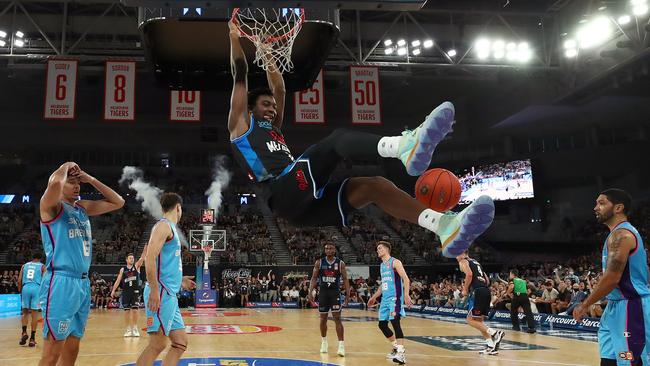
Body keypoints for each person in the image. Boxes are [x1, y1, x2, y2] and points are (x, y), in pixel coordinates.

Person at [226, 20, 494, 259]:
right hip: (282, 189)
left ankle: (442, 226)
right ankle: (403, 146)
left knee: (374, 186)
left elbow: (280, 89)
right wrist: (234, 38)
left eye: (273, 106)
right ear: (250, 109)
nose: (273, 108)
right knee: (336, 141)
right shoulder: (240, 126)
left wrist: (266, 51)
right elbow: (240, 73)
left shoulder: (274, 129)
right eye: (265, 104)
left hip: (302, 208)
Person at [38, 162, 124, 366]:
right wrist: (65, 166)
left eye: (78, 182)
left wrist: (90, 179)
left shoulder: (82, 208)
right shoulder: (51, 206)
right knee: (52, 353)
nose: (77, 186)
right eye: (71, 182)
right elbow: (53, 185)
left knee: (73, 348)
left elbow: (118, 202)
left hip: (82, 284)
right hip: (60, 282)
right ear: (61, 183)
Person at [573, 189, 650, 366]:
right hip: (614, 308)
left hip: (631, 307)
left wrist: (585, 304)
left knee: (630, 361)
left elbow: (612, 278)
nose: (595, 208)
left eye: (601, 203)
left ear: (618, 208)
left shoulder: (622, 235)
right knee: (609, 361)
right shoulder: (614, 235)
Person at [136, 192, 196, 366]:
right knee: (157, 344)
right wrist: (154, 290)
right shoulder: (163, 226)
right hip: (161, 293)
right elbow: (150, 258)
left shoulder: (170, 229)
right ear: (178, 208)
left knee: (180, 343)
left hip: (169, 293)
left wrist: (180, 280)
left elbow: (166, 264)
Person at [367, 241, 412, 365]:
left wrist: (406, 294)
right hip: (385, 300)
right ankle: (396, 348)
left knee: (395, 322)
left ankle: (401, 354)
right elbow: (383, 285)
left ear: (386, 249)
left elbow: (406, 278)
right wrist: (374, 297)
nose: (378, 250)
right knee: (382, 325)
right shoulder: (382, 265)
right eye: (377, 248)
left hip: (395, 298)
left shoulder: (395, 262)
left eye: (380, 248)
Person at [456, 250, 504, 355]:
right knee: (479, 321)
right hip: (486, 291)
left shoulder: (463, 261)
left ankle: (495, 333)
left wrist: (465, 289)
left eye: (456, 254)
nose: (456, 257)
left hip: (477, 292)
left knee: (470, 320)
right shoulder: (476, 262)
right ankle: (490, 345)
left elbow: (469, 274)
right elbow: (487, 280)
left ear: (463, 253)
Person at [308, 242, 350, 356]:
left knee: (337, 318)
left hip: (335, 293)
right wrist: (310, 292)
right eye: (326, 248)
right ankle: (324, 342)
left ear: (334, 250)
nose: (328, 250)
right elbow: (314, 278)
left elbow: (345, 279)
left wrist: (347, 295)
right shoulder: (319, 262)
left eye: (330, 248)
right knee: (323, 319)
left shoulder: (340, 263)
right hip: (323, 293)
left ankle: (341, 345)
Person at [110, 252, 145, 337]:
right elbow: (118, 280)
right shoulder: (123, 269)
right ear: (126, 260)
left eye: (132, 258)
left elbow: (142, 257)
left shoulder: (136, 266)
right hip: (126, 292)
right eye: (130, 258)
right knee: (126, 311)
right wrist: (113, 290)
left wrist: (145, 249)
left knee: (135, 310)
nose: (132, 259)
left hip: (135, 291)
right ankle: (128, 329)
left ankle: (135, 328)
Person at [17, 252, 45, 347]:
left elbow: (19, 280)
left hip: (26, 288)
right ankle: (32, 339)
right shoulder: (42, 267)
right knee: (34, 315)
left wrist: (21, 291)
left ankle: (24, 332)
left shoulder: (24, 266)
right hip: (36, 288)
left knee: (25, 313)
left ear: (32, 257)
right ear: (40, 258)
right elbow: (45, 281)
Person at [507, 269, 536, 333]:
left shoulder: (512, 280)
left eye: (510, 274)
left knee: (513, 311)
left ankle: (516, 327)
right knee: (528, 312)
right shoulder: (523, 281)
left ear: (512, 274)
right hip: (525, 296)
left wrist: (508, 293)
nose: (509, 275)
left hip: (517, 296)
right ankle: (532, 328)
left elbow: (512, 287)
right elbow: (527, 290)